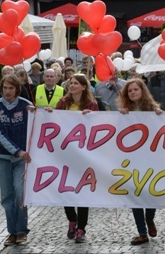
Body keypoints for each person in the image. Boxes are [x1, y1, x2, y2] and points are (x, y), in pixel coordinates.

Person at [0, 74, 34, 246]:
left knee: (20, 192)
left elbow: (39, 123)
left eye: (11, 88)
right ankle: (12, 232)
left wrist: (42, 112)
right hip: (3, 157)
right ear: (1, 89)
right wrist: (17, 151)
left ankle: (22, 230)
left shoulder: (26, 106)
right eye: (5, 88)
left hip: (23, 158)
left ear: (17, 89)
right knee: (7, 196)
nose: (8, 91)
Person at [52, 74, 98, 243]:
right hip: (66, 153)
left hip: (84, 154)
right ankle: (72, 219)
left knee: (82, 192)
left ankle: (81, 229)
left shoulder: (92, 104)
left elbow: (97, 127)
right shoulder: (64, 102)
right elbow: (54, 121)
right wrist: (49, 113)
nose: (72, 86)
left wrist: (90, 116)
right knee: (66, 189)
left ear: (84, 87)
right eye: (71, 83)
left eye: (76, 83)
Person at [118, 78, 162, 245]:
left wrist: (160, 116)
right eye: (130, 91)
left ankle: (149, 219)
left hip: (151, 160)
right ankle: (142, 233)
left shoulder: (153, 109)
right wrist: (120, 117)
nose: (133, 92)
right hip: (131, 161)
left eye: (136, 89)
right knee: (135, 197)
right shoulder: (124, 111)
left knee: (150, 195)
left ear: (143, 91)